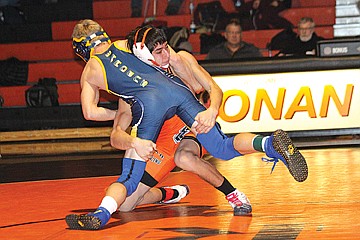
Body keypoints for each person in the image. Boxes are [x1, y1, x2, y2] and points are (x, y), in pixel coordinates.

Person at [66, 20, 308, 230]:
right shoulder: (130, 72)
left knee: (187, 157)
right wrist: (132, 138)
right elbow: (118, 130)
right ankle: (172, 193)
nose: (162, 56)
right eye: (156, 52)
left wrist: (212, 111)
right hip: (164, 132)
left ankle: (235, 194)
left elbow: (212, 88)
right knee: (128, 204)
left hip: (187, 126)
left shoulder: (180, 59)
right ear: (143, 53)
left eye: (164, 50)